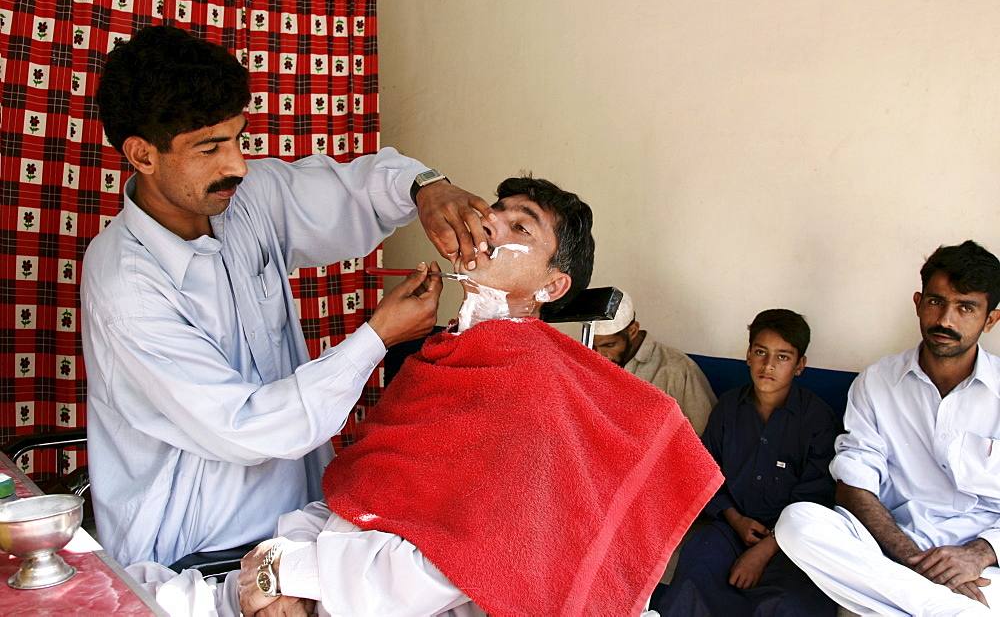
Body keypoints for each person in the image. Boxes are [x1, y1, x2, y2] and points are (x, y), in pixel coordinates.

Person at [128, 176, 724, 617]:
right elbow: (363, 493)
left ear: (553, 285)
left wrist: (297, 574)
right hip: (324, 575)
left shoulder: (536, 392)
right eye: (495, 214)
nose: (492, 225)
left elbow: (456, 567)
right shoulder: (442, 361)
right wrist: (279, 557)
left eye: (521, 228)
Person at [82, 25, 495, 567]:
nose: (237, 165)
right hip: (196, 554)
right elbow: (248, 428)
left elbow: (357, 190)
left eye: (238, 137)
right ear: (142, 156)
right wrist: (377, 338)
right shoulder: (127, 287)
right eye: (210, 147)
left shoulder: (246, 199)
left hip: (297, 525)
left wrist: (426, 188)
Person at [777, 240, 1000, 616]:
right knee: (796, 523)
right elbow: (853, 488)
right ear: (918, 302)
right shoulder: (877, 381)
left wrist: (979, 554)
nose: (946, 320)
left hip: (980, 566)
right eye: (936, 302)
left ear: (990, 319)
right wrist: (916, 561)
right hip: (888, 549)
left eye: (965, 307)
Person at [652, 309, 839, 616]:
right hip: (731, 526)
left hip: (793, 540)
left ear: (799, 365)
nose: (768, 365)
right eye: (761, 352)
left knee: (788, 603)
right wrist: (735, 519)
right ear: (749, 355)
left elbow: (817, 498)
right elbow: (708, 471)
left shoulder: (817, 419)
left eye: (782, 357)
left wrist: (767, 548)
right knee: (692, 578)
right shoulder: (729, 407)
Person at [592, 290, 717, 434]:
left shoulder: (676, 369)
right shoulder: (591, 361)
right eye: (594, 346)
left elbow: (703, 435)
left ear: (632, 331)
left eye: (609, 345)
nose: (600, 355)